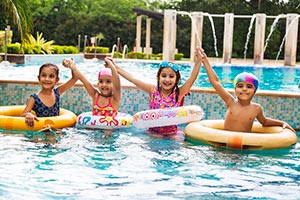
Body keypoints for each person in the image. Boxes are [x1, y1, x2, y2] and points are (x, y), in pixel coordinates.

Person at [200, 48, 296, 133]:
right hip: (225, 144)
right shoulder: (230, 101)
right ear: (235, 89)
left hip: (244, 146)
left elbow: (264, 122)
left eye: (249, 86)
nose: (244, 89)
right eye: (240, 86)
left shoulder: (256, 108)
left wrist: (282, 123)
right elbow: (216, 82)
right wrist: (205, 61)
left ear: (255, 90)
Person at [115, 46, 203, 139]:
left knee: (177, 139)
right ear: (158, 77)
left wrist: (199, 60)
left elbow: (192, 78)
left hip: (172, 133)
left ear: (177, 79)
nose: (167, 79)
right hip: (153, 132)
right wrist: (115, 67)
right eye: (164, 76)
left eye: (171, 76)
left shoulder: (178, 93)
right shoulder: (153, 90)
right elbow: (134, 79)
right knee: (155, 137)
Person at [21, 63, 78, 128]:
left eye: (51, 76)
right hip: (41, 130)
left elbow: (74, 78)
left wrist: (71, 65)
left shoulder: (58, 92)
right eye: (44, 75)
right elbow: (22, 115)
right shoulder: (34, 98)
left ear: (57, 80)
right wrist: (28, 114)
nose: (47, 79)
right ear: (39, 78)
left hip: (56, 129)